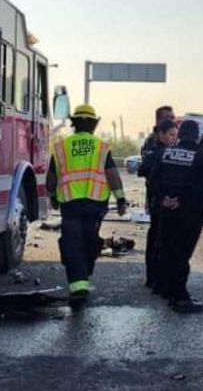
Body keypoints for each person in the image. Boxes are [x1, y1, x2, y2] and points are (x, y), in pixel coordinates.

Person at [46, 104, 127, 301]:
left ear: (74, 124)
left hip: (70, 203)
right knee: (90, 239)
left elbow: (51, 178)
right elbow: (112, 174)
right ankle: (85, 275)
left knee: (72, 242)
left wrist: (53, 197)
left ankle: (78, 284)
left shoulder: (61, 147)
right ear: (93, 125)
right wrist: (121, 198)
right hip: (95, 203)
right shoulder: (101, 147)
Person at [149, 120, 203, 312]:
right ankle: (180, 297)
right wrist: (183, 201)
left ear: (180, 134)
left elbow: (154, 180)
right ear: (196, 135)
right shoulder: (202, 157)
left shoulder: (165, 153)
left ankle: (164, 288)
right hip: (189, 214)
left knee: (167, 250)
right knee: (182, 254)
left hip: (166, 211)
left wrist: (165, 199)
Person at [140, 119, 178, 289]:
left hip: (162, 201)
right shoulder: (156, 152)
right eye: (170, 135)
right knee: (157, 240)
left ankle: (156, 278)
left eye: (176, 135)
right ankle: (154, 278)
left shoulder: (169, 151)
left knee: (160, 239)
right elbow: (143, 170)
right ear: (161, 134)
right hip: (158, 201)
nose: (173, 139)